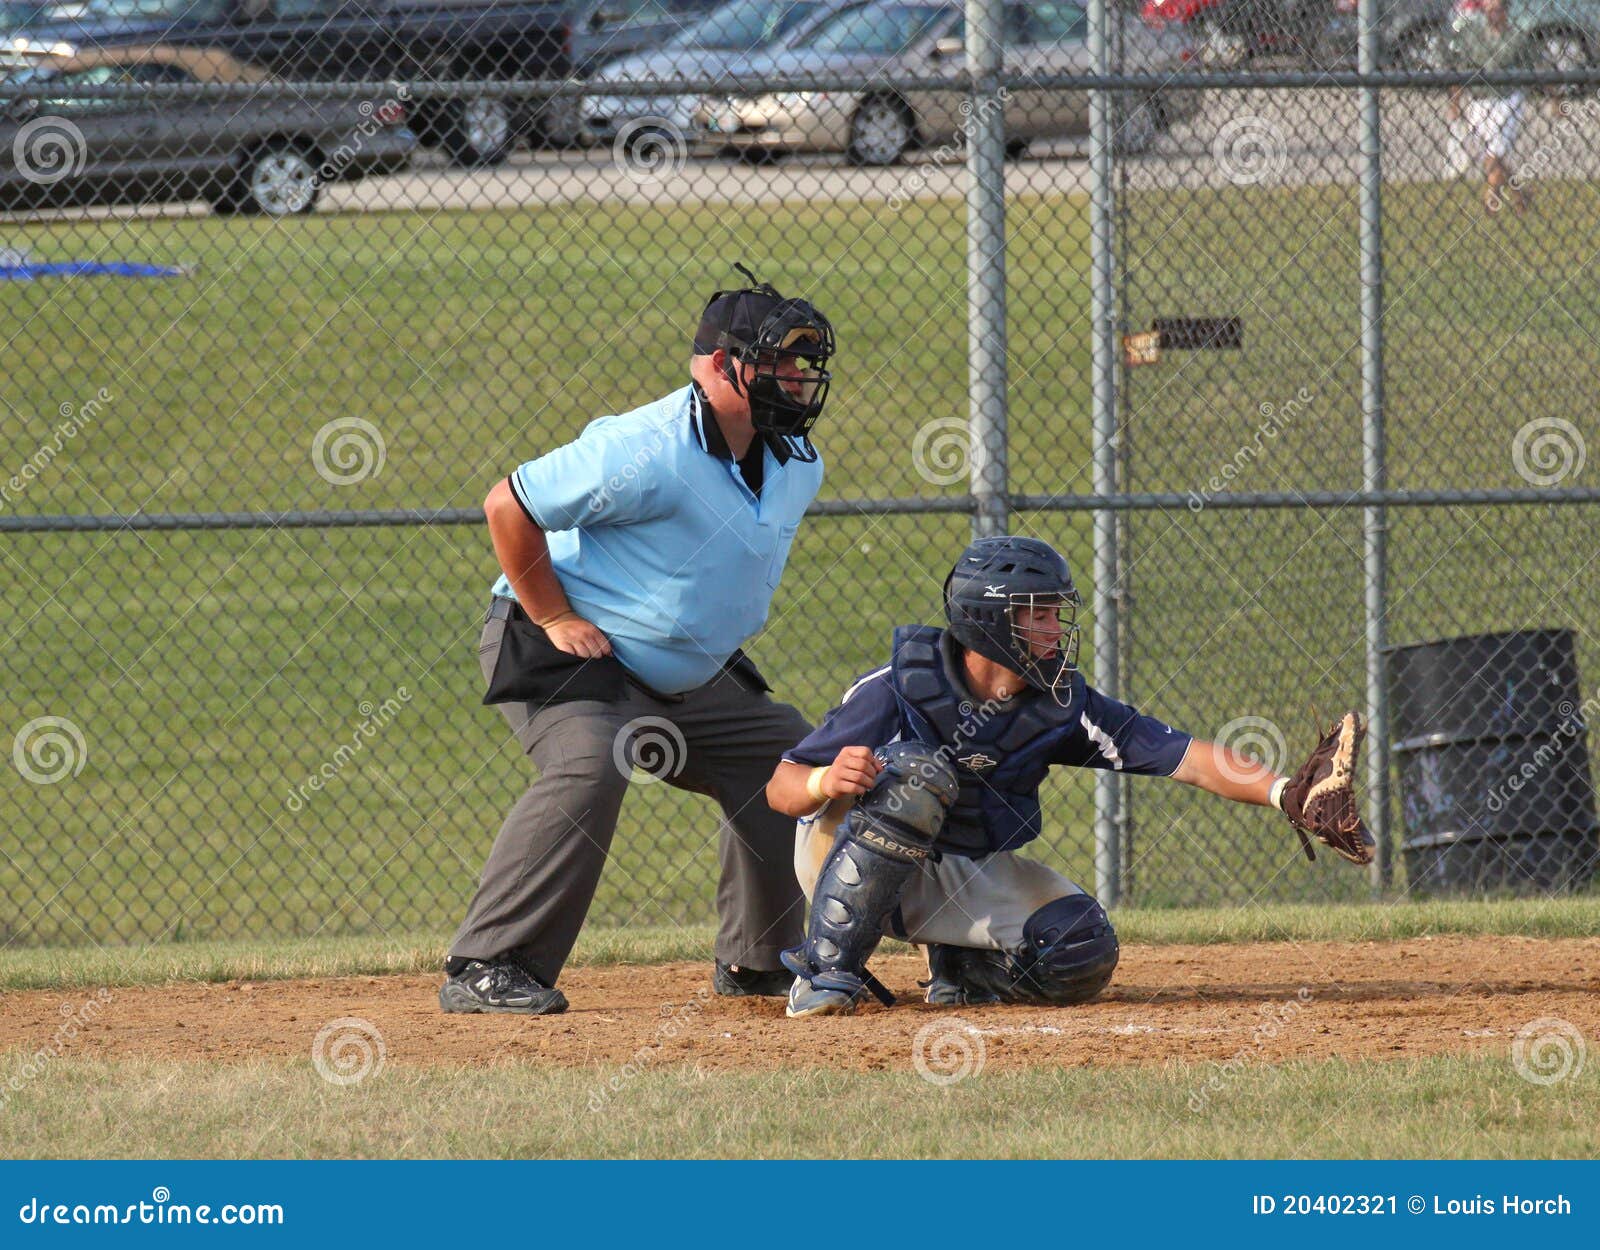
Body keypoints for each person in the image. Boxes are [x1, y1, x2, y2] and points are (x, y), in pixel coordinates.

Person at [441, 266, 834, 1015]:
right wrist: (555, 616)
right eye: (777, 359)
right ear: (721, 365)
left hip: (688, 673)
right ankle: (489, 965)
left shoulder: (795, 462)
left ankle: (758, 960)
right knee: (594, 761)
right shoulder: (644, 447)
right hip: (565, 648)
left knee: (789, 763)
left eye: (803, 363)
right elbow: (508, 504)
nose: (796, 377)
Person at [766, 535, 1373, 1017]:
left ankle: (959, 964)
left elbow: (1182, 755)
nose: (1056, 631)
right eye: (1038, 616)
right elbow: (781, 787)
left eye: (1057, 613)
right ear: (987, 622)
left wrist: (1282, 793)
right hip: (842, 855)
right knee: (914, 778)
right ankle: (825, 973)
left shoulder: (1058, 702)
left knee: (1076, 952)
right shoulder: (899, 685)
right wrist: (825, 783)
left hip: (953, 872)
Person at [1446, 0, 1534, 215]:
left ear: (1506, 11)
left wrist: (1556, 98)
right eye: (1488, 10)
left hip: (1508, 99)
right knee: (1493, 155)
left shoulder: (1517, 38)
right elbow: (1461, 70)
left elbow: (1537, 67)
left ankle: (1491, 198)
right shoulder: (1474, 37)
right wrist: (1455, 103)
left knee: (1494, 153)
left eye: (1497, 10)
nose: (1492, 15)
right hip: (1480, 100)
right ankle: (1520, 193)